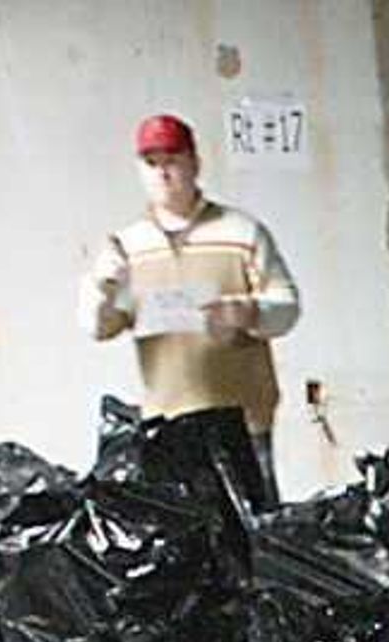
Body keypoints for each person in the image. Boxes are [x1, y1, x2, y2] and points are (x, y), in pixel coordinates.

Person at [81, 112, 303, 504]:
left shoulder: (242, 232)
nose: (163, 173)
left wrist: (249, 311)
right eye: (152, 163)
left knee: (256, 538)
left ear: (195, 163)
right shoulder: (124, 246)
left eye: (173, 160)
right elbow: (98, 327)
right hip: (167, 423)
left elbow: (287, 306)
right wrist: (102, 287)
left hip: (244, 419)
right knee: (185, 546)